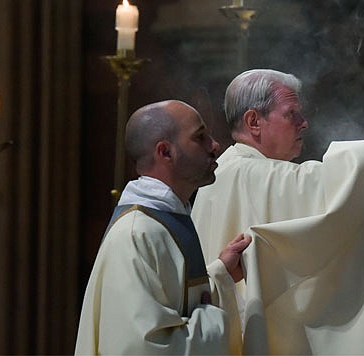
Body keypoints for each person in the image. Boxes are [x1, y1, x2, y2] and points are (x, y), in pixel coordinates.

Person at [191, 69, 364, 355]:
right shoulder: (255, 174)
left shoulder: (220, 173)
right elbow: (339, 183)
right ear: (254, 121)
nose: (304, 124)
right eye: (291, 114)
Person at [75, 100, 252, 355]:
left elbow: (174, 307)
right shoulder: (136, 234)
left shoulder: (165, 219)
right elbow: (145, 346)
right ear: (165, 152)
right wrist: (214, 321)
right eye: (200, 137)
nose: (215, 146)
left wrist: (221, 274)